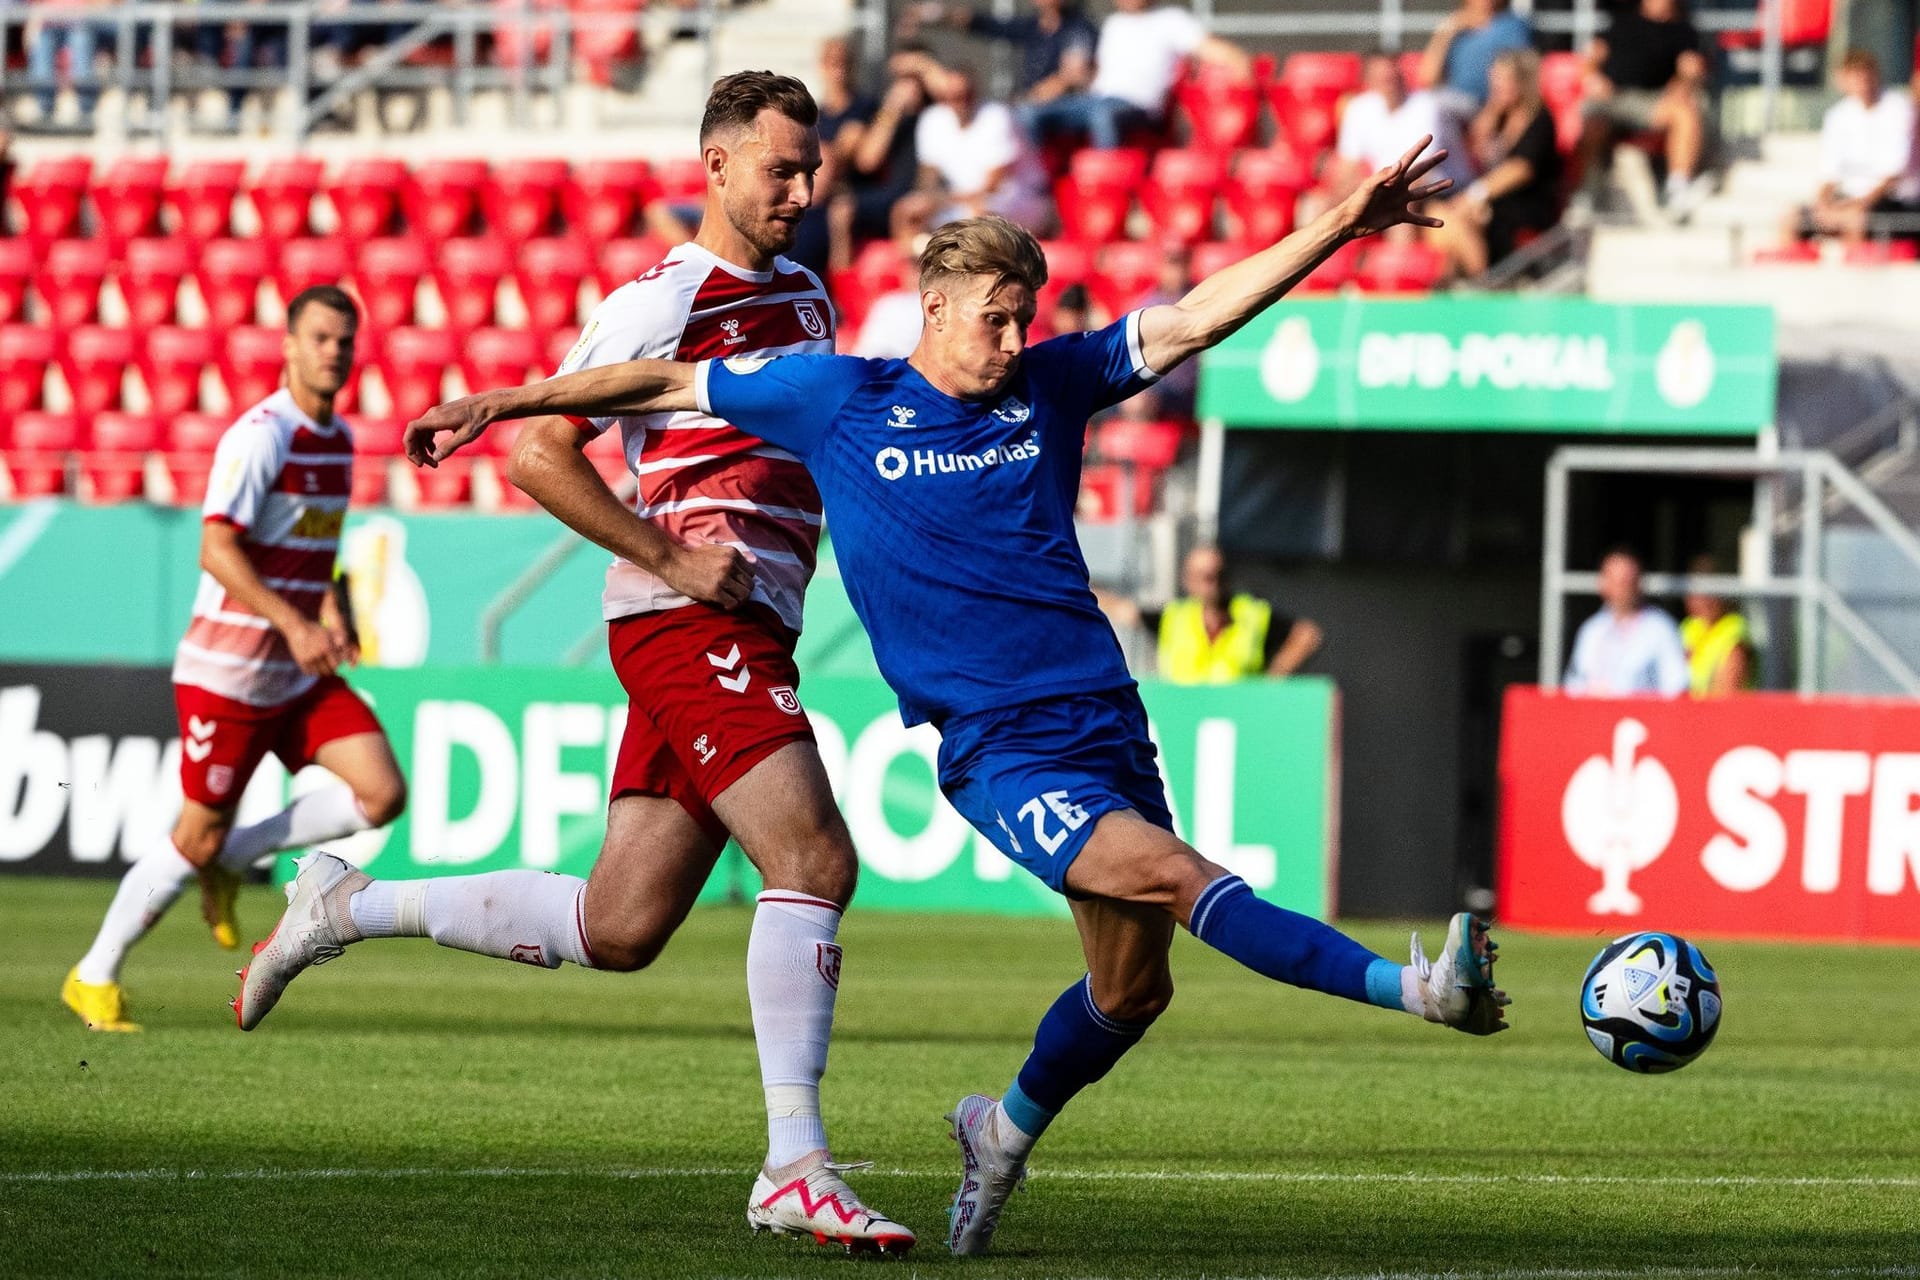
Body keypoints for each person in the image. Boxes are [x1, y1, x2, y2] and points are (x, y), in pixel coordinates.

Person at [408, 138, 1510, 1258]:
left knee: (1131, 992)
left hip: (1102, 717)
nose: (1015, 338)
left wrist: (1338, 223)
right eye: (995, 316)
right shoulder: (839, 397)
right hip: (998, 748)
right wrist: (510, 397)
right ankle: (1417, 988)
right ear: (932, 310)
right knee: (1179, 876)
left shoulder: (1054, 382)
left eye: (1025, 315)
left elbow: (1192, 320)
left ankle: (999, 1128)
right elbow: (659, 380)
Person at [238, 72, 914, 1255]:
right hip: (681, 614)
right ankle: (795, 1164)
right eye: (783, 168)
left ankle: (343, 904)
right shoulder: (661, 298)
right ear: (714, 166)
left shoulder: (805, 293)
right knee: (813, 853)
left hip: (753, 619)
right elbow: (541, 453)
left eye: (811, 168)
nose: (805, 190)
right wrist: (671, 553)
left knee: (623, 921)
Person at [61, 286, 408, 1032]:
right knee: (194, 835)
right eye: (319, 337)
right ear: (287, 345)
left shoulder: (338, 440)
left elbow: (315, 552)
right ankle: (94, 975)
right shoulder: (260, 436)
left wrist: (331, 614)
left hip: (294, 670)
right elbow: (216, 549)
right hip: (229, 674)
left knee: (380, 792)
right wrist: (294, 622)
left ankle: (230, 859)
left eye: (344, 340)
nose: (333, 352)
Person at [1022, 0, 1251, 150]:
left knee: (1103, 116)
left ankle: (1108, 185)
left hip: (1140, 107)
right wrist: (1066, 78)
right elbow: (1094, 76)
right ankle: (1041, 186)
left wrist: (1240, 64)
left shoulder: (1171, 20)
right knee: (1029, 113)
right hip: (1097, 99)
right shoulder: (1114, 23)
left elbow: (1216, 50)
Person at [1426, 48, 1563, 281]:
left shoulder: (1541, 119)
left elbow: (1521, 169)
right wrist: (1490, 112)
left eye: (1504, 80)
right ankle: (1459, 277)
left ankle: (1478, 280)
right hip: (1493, 201)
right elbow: (1475, 151)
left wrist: (1476, 195)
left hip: (1524, 205)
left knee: (1455, 217)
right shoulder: (1500, 118)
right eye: (1495, 79)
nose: (1497, 86)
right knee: (1438, 214)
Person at [1100, 545, 1323, 683]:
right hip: (1186, 715)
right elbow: (1123, 610)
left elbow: (1307, 635)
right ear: (1187, 581)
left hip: (1240, 717)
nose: (1211, 583)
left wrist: (1272, 681)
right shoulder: (1175, 617)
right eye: (1203, 576)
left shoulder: (1251, 614)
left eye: (1216, 575)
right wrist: (1073, 589)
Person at [1572, 0, 1710, 219]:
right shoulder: (1621, 23)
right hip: (1613, 99)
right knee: (1591, 121)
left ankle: (1678, 188)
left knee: (1685, 113)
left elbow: (1690, 68)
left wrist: (1683, 84)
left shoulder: (1683, 31)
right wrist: (1592, 78)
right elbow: (1591, 58)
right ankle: (1587, 191)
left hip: (1652, 101)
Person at [1783, 49, 1920, 246]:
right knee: (1792, 219)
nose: (1861, 83)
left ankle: (1855, 274)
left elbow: (1894, 175)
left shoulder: (1899, 109)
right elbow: (1828, 172)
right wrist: (1823, 203)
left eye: (1865, 76)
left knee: (1855, 221)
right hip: (1850, 199)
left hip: (1891, 201)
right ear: (1842, 80)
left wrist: (1858, 205)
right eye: (1855, 77)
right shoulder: (1837, 115)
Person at [914, 63, 1054, 231]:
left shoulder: (997, 116)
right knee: (908, 212)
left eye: (965, 95)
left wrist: (946, 200)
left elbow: (993, 184)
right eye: (953, 96)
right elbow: (927, 177)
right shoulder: (932, 119)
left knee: (976, 220)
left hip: (1018, 199)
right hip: (960, 201)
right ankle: (919, 254)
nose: (960, 102)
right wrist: (931, 199)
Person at [907, 0, 1098, 107]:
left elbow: (1071, 76)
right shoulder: (1033, 26)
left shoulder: (1078, 27)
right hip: (1031, 103)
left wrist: (1029, 100)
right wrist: (934, 15)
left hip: (1064, 106)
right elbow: (985, 24)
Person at [1563, 547, 1689, 696]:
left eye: (1627, 581)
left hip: (1642, 717)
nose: (1622, 589)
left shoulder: (1661, 629)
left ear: (1638, 583)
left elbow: (1676, 686)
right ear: (1603, 583)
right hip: (1594, 715)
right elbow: (1574, 684)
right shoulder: (1592, 630)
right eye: (1615, 581)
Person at [1419, 0, 1533, 122]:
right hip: (1453, 105)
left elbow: (1515, 82)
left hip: (1483, 106)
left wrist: (1490, 115)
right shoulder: (1453, 24)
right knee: (1423, 105)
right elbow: (1428, 79)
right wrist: (1448, 31)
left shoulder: (1513, 28)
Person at [1681, 555, 1755, 697]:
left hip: (1718, 715)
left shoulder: (1734, 630)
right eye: (1698, 593)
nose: (1704, 601)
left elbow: (1729, 692)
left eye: (1710, 593)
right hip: (1690, 712)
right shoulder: (1689, 628)